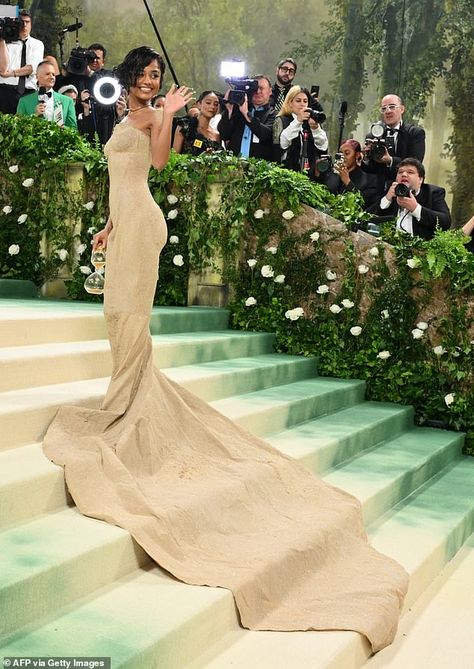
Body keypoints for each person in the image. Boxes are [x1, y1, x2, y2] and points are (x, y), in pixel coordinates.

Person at [42, 45, 408, 655]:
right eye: (144, 75)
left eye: (157, 76)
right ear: (128, 77)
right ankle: (127, 394)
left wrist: (170, 115)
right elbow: (118, 178)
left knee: (127, 313)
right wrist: (107, 224)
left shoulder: (154, 117)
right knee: (114, 314)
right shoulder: (116, 118)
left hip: (146, 221)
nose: (151, 81)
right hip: (123, 220)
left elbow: (154, 169)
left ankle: (126, 401)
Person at [370, 158, 451, 239]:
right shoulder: (391, 193)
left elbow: (445, 222)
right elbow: (365, 218)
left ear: (420, 179)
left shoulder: (433, 193)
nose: (404, 174)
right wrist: (387, 200)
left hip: (420, 249)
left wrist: (415, 209)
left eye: (410, 172)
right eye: (400, 172)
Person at [363, 94, 426, 196]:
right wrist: (365, 158)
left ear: (401, 109)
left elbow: (415, 164)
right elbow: (370, 170)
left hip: (406, 191)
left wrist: (390, 160)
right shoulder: (373, 136)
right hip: (378, 192)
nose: (388, 111)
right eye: (384, 108)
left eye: (392, 107)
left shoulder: (415, 133)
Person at [218, 75, 275, 161]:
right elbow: (224, 135)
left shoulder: (273, 114)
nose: (258, 91)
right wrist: (228, 110)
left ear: (270, 91)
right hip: (233, 165)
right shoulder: (238, 110)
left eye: (261, 88)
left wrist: (246, 113)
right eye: (254, 89)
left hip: (259, 168)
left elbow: (265, 135)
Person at [272, 85, 328, 173]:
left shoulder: (311, 120)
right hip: (287, 173)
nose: (302, 104)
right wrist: (298, 121)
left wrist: (315, 128)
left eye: (305, 101)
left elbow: (323, 146)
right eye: (298, 101)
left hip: (309, 173)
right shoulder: (282, 120)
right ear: (290, 103)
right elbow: (282, 143)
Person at [0, 9, 44, 114]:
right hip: (6, 90)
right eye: (21, 22)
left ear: (31, 24)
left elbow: (32, 68)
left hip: (28, 91)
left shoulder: (37, 44)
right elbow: (2, 69)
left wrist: (10, 73)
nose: (24, 25)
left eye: (27, 22)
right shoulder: (6, 43)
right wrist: (2, 39)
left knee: (27, 125)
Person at [314, 139, 378, 209]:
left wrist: (348, 182)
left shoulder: (370, 180)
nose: (343, 157)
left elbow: (363, 204)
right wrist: (317, 174)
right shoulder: (331, 175)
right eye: (340, 154)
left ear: (357, 155)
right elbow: (319, 195)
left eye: (347, 153)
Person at [17, 60, 77, 130]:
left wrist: (62, 128)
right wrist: (34, 116)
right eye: (47, 74)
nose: (52, 77)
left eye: (53, 74)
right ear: (37, 76)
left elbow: (73, 129)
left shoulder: (67, 101)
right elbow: (18, 128)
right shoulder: (24, 101)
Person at [173, 90, 222, 155]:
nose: (212, 107)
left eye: (216, 104)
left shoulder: (216, 135)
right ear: (199, 104)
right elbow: (174, 155)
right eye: (208, 103)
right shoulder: (185, 126)